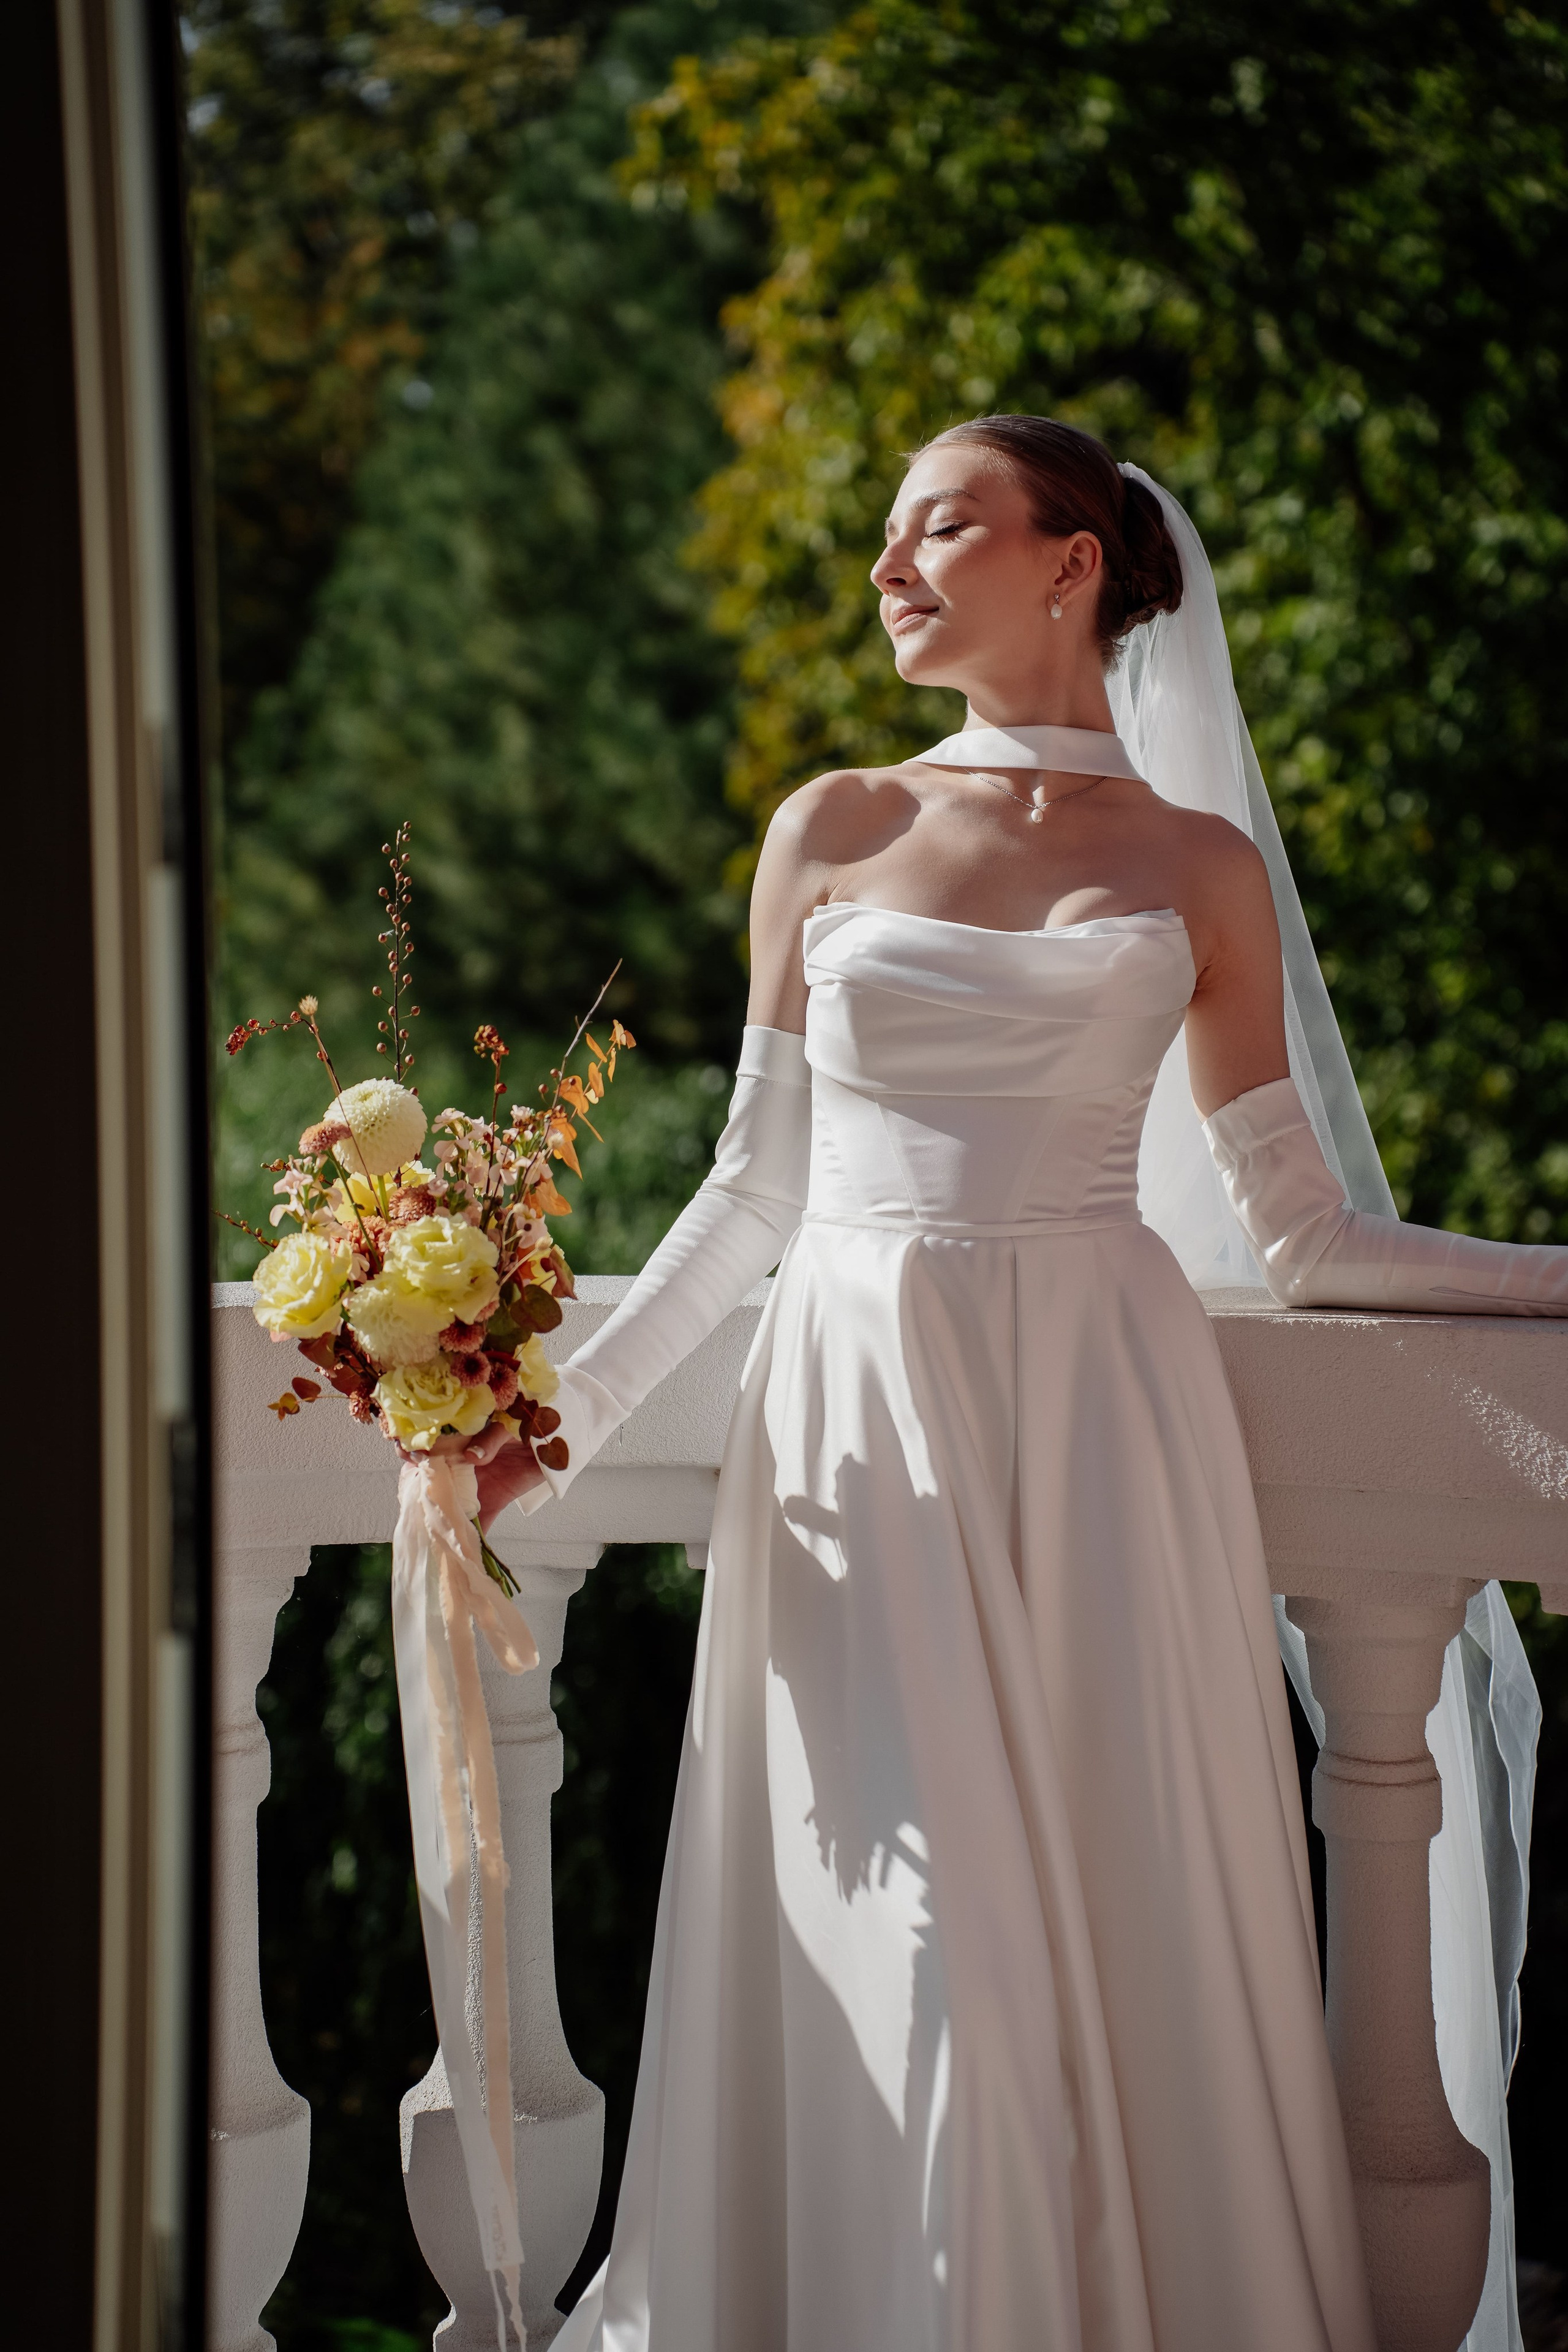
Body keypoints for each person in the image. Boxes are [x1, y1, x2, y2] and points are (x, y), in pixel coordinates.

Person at [467, 416, 1566, 2351]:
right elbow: (749, 1196)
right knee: (909, 1946)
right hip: (862, 1423)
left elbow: (1305, 1236)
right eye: (888, 532)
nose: (888, 566)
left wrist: (1553, 1277)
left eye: (939, 526)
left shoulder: (1200, 864)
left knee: (1109, 1931)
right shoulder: (830, 827)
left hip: (1103, 1438)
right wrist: (549, 1427)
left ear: (1073, 564)